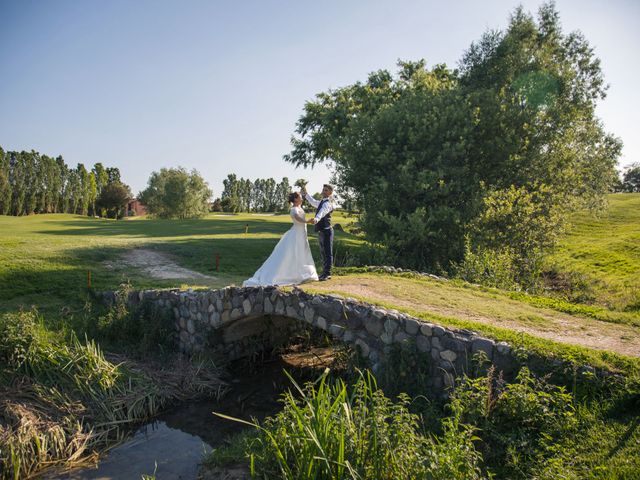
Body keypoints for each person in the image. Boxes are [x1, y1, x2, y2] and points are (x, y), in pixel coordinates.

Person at [242, 192, 319, 287]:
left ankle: (302, 275)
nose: (302, 199)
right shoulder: (294, 209)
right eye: (300, 197)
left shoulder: (300, 208)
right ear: (295, 199)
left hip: (302, 233)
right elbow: (297, 217)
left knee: (302, 252)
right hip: (296, 234)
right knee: (293, 253)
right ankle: (290, 275)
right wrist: (306, 221)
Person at [302, 184, 334, 281]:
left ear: (330, 193)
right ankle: (324, 272)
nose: (324, 191)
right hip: (322, 231)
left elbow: (322, 212)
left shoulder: (327, 204)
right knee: (323, 252)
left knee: (328, 252)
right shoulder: (321, 202)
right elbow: (313, 202)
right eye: (323, 189)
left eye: (326, 190)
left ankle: (327, 273)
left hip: (327, 231)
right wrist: (306, 194)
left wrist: (316, 219)